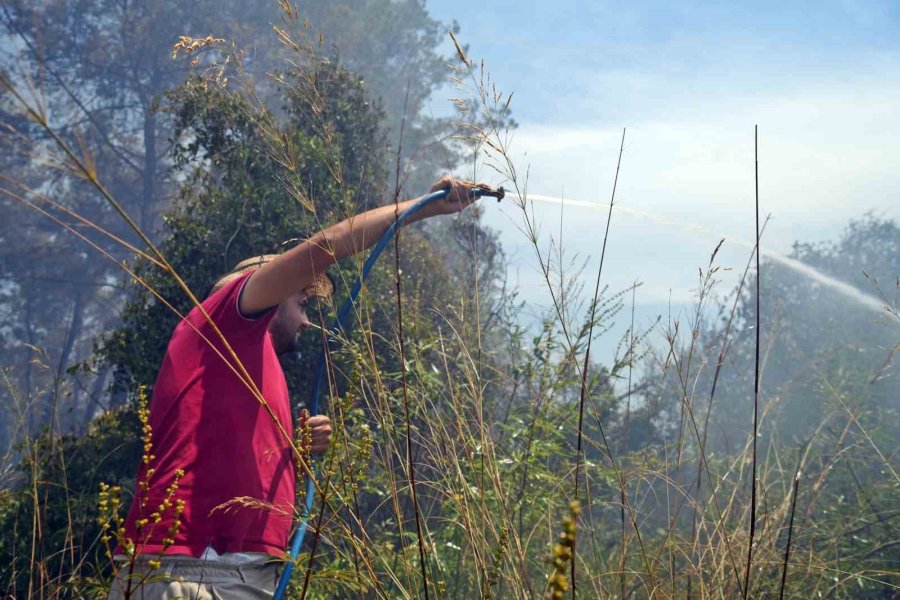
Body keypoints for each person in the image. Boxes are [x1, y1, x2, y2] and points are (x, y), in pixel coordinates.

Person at [108, 175, 484, 599]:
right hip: (196, 572)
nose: (307, 320)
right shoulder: (225, 318)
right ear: (266, 291)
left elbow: (222, 456)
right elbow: (326, 247)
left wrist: (291, 452)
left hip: (234, 574)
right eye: (302, 303)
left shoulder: (242, 361)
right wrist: (426, 206)